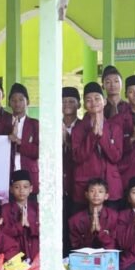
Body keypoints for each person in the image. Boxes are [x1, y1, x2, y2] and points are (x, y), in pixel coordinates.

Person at [71, 82, 123, 210]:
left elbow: (115, 157)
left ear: (104, 101)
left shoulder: (114, 127)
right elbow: (77, 157)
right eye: (88, 100)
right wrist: (92, 135)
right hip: (86, 186)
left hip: (110, 185)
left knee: (111, 225)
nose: (93, 102)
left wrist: (102, 135)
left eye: (97, 98)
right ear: (84, 105)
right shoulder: (78, 128)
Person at [6, 83, 39, 192]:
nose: (17, 103)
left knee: (31, 208)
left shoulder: (35, 124)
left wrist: (18, 141)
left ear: (27, 102)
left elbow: (38, 152)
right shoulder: (2, 124)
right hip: (8, 176)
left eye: (21, 100)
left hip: (29, 177)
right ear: (9, 103)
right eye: (14, 100)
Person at [1, 170, 39, 264]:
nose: (21, 190)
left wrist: (30, 226)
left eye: (25, 187)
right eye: (17, 187)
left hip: (35, 253)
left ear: (31, 189)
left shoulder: (38, 208)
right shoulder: (4, 209)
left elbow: (47, 231)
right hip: (13, 255)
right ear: (11, 189)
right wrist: (19, 225)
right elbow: (1, 234)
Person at [68, 178, 117, 250]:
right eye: (92, 191)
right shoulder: (74, 220)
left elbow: (114, 246)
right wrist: (90, 233)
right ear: (86, 194)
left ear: (106, 196)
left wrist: (100, 232)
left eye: (100, 191)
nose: (96, 195)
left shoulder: (114, 216)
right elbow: (76, 248)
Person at [62, 86, 80, 257]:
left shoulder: (83, 126)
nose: (67, 105)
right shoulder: (52, 127)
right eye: (64, 101)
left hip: (77, 184)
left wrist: (68, 141)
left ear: (79, 105)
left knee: (75, 224)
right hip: (58, 184)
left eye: (71, 101)